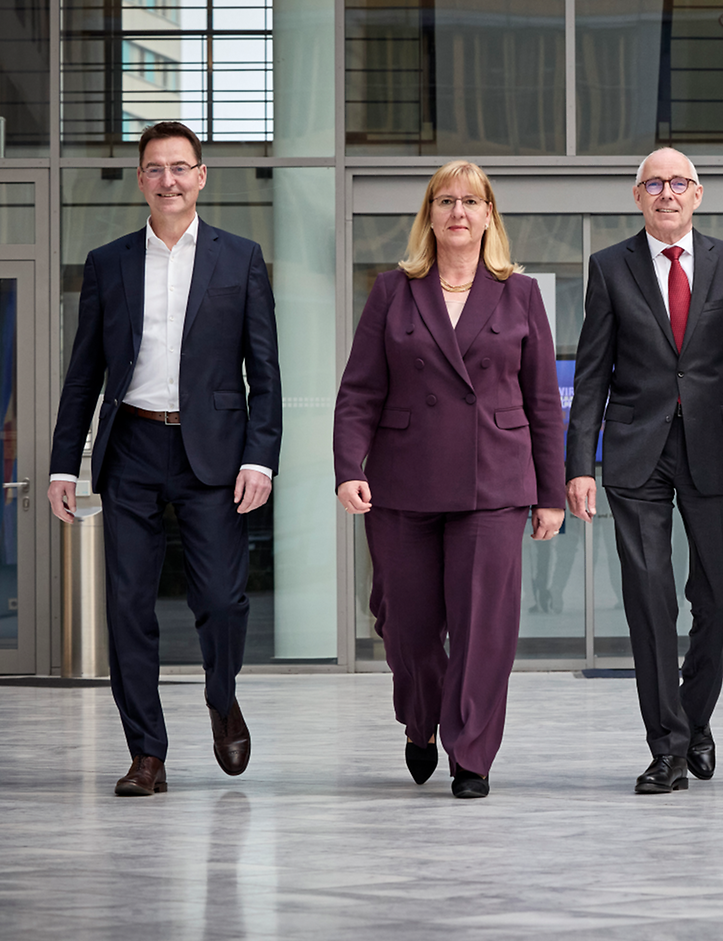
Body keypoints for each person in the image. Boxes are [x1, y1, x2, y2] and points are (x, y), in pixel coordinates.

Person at [46, 121, 281, 797]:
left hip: (214, 451)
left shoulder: (240, 259)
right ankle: (146, 753)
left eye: (181, 167)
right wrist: (67, 464)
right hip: (133, 448)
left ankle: (221, 695)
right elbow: (84, 372)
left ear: (202, 177)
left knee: (222, 599)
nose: (169, 179)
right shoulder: (109, 262)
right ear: (141, 180)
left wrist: (260, 458)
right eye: (156, 168)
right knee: (127, 607)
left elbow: (264, 371)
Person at [333, 160, 566, 800]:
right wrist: (347, 469)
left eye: (470, 201)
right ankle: (419, 719)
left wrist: (551, 493)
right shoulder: (393, 291)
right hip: (403, 481)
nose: (457, 212)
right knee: (403, 622)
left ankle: (472, 752)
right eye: (445, 201)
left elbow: (544, 401)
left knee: (482, 623)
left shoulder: (518, 294)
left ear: (489, 214)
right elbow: (359, 391)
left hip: (494, 481)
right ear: (429, 216)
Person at [565, 148, 723, 794]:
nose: (667, 192)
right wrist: (581, 462)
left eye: (679, 182)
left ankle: (693, 717)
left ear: (698, 194)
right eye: (654, 183)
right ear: (637, 196)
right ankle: (667, 746)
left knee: (719, 601)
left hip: (718, 452)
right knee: (650, 598)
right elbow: (591, 376)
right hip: (637, 453)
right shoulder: (610, 267)